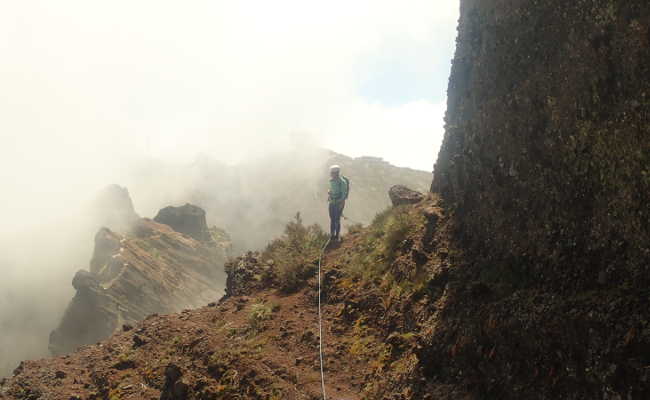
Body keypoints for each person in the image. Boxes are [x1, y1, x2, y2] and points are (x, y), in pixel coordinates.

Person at [327, 164, 348, 241]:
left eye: (332, 173)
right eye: (331, 172)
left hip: (338, 203)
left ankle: (337, 236)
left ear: (336, 173)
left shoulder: (342, 182)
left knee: (336, 219)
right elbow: (331, 189)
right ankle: (332, 235)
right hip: (332, 202)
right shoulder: (331, 181)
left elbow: (344, 194)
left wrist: (341, 203)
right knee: (332, 219)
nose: (331, 174)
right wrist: (329, 192)